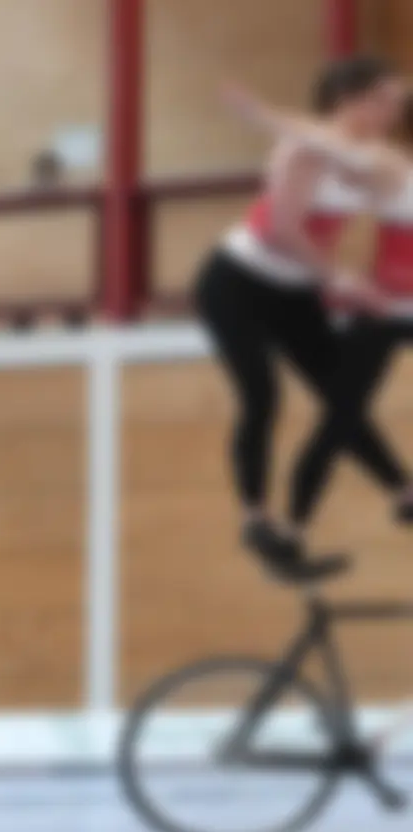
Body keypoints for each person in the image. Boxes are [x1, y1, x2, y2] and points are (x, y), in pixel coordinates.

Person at [189, 55, 411, 580]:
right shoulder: (300, 152)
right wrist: (340, 279)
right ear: (351, 99)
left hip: (295, 290)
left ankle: (401, 489)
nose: (395, 111)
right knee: (262, 393)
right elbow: (281, 230)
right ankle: (256, 517)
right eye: (386, 100)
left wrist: (345, 280)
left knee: (341, 396)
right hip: (238, 282)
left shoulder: (371, 156)